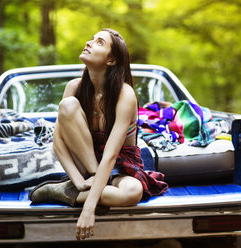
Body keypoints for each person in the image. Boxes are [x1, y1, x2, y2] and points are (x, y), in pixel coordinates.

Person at [30, 28, 168, 240]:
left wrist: (88, 210)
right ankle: (76, 189)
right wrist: (77, 181)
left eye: (99, 42)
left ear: (111, 60)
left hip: (119, 164)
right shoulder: (74, 87)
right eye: (91, 39)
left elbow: (112, 155)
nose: (88, 42)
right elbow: (58, 142)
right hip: (86, 165)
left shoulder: (125, 94)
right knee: (67, 105)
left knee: (133, 192)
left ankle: (58, 192)